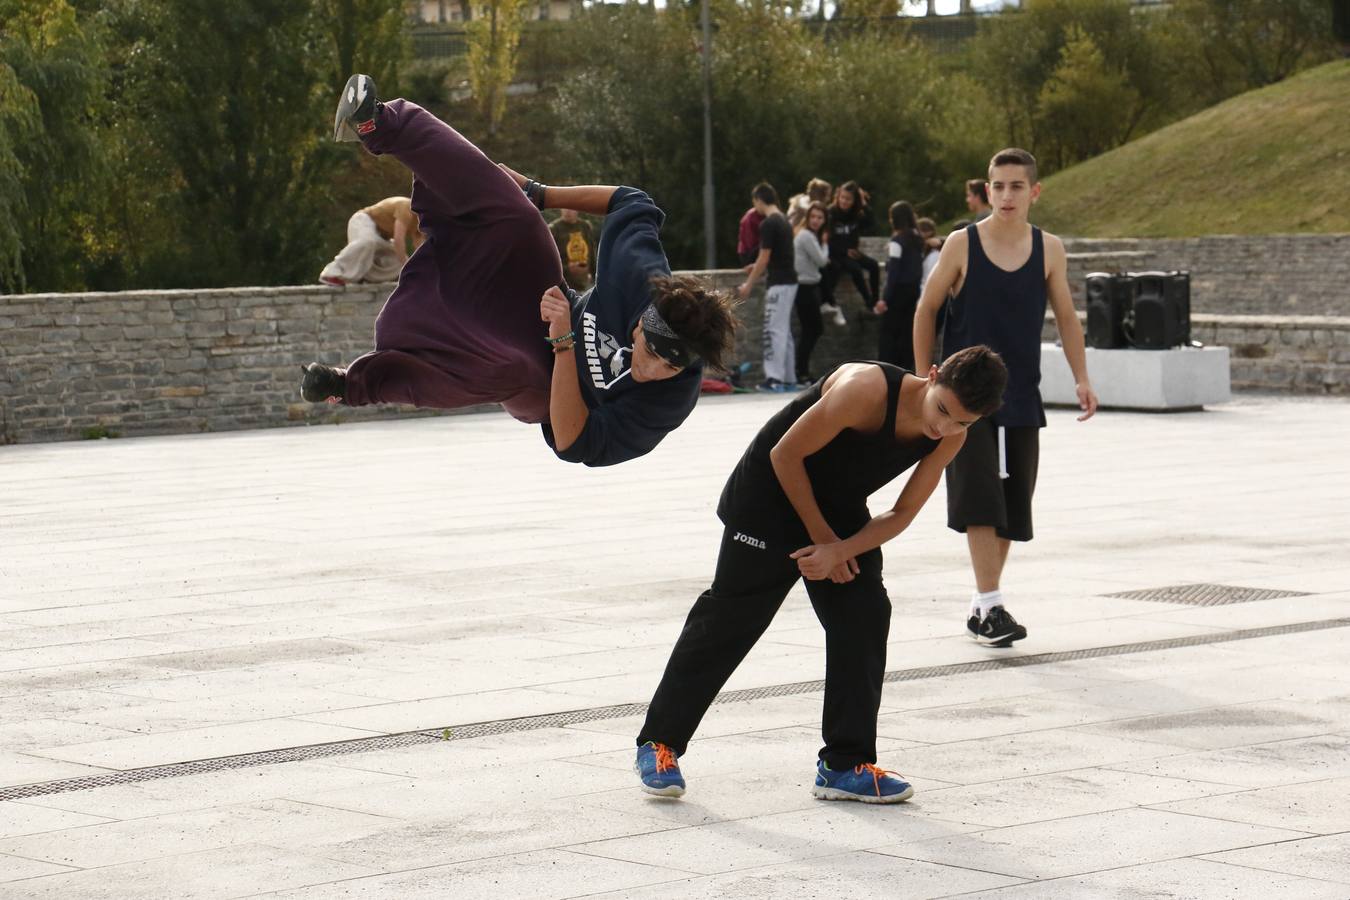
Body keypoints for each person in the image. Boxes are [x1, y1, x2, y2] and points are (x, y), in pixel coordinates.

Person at [634, 347, 1009, 803]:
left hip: (838, 512)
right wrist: (823, 541)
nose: (944, 427)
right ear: (931, 376)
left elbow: (903, 512)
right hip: (767, 497)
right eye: (943, 410)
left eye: (962, 422)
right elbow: (785, 454)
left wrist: (842, 550)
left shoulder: (952, 435)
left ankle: (844, 764)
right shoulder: (864, 389)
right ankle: (660, 744)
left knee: (866, 615)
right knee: (731, 621)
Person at [305, 75, 738, 468]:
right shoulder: (639, 275)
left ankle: (349, 386)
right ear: (644, 321)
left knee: (510, 367)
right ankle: (379, 123)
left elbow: (573, 442)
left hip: (545, 391)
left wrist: (565, 343)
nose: (651, 369)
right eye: (650, 351)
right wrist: (539, 192)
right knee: (516, 215)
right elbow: (633, 201)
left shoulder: (666, 404)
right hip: (548, 304)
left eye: (669, 367)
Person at [914, 148, 1099, 647]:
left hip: (1021, 396)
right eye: (998, 185)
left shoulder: (1050, 249)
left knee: (1013, 510)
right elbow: (926, 309)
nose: (1006, 195)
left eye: (1017, 186)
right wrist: (923, 379)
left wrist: (1081, 376)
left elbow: (1066, 317)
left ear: (1035, 191)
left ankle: (982, 606)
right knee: (980, 502)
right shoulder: (962, 244)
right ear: (987, 189)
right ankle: (992, 605)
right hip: (963, 401)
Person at [738, 183, 797, 393]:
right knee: (785, 332)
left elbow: (764, 257)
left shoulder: (768, 224)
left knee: (774, 331)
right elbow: (776, 255)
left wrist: (748, 284)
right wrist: (759, 265)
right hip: (789, 281)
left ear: (759, 200)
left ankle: (774, 379)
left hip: (779, 284)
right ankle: (789, 379)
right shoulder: (784, 221)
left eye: (754, 202)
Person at [319, 196, 425, 286]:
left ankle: (365, 277)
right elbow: (398, 240)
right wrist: (408, 266)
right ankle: (331, 273)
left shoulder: (420, 223)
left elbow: (419, 251)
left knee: (397, 261)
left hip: (383, 237)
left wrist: (419, 271)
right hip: (364, 221)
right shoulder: (406, 207)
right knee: (368, 241)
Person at [875, 201, 924, 370]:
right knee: (907, 333)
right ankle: (906, 369)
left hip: (898, 293)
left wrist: (884, 299)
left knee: (889, 333)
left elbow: (893, 274)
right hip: (914, 291)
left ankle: (886, 369)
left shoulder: (897, 241)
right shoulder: (918, 239)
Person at [820, 181, 878, 319]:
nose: (844, 201)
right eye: (842, 197)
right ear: (838, 196)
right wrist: (845, 251)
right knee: (855, 269)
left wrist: (863, 203)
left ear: (854, 201)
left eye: (848, 199)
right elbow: (826, 240)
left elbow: (871, 223)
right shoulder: (830, 213)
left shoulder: (856, 213)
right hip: (836, 253)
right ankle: (868, 301)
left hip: (852, 252)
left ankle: (875, 300)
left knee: (874, 265)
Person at [792, 202, 830, 384]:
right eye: (813, 216)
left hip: (808, 287)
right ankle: (801, 372)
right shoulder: (807, 236)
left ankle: (802, 371)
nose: (816, 220)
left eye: (820, 217)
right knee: (812, 329)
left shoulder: (808, 235)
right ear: (807, 218)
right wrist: (825, 243)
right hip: (804, 288)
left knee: (811, 329)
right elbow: (822, 261)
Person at [548, 208, 595, 292]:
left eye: (570, 208)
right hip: (564, 286)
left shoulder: (585, 226)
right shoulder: (553, 229)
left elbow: (591, 252)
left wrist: (594, 275)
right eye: (564, 207)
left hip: (585, 283)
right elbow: (548, 261)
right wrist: (567, 269)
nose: (567, 211)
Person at [916, 216, 942, 297]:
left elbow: (931, 279)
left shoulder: (934, 254)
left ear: (928, 232)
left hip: (927, 294)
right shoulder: (921, 252)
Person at [737, 205, 766, 269]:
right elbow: (750, 241)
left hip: (757, 249)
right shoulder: (751, 217)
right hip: (749, 252)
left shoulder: (766, 215)